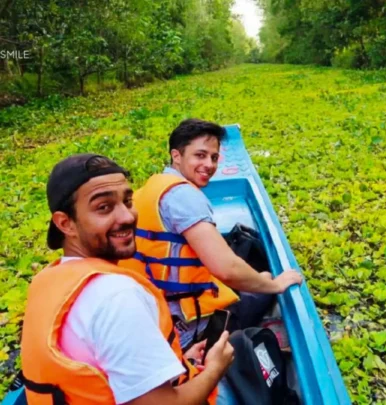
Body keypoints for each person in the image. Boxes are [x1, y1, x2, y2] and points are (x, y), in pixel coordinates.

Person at [20, 154, 234, 405]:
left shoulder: (50, 279)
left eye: (127, 200)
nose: (127, 216)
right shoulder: (117, 296)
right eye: (104, 207)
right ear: (65, 224)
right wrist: (215, 369)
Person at [119, 119, 303, 348]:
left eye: (214, 157)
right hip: (185, 330)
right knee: (262, 289)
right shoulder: (184, 196)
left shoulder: (151, 187)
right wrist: (273, 285)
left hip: (153, 314)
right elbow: (226, 269)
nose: (209, 164)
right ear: (176, 156)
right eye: (200, 155)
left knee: (250, 274)